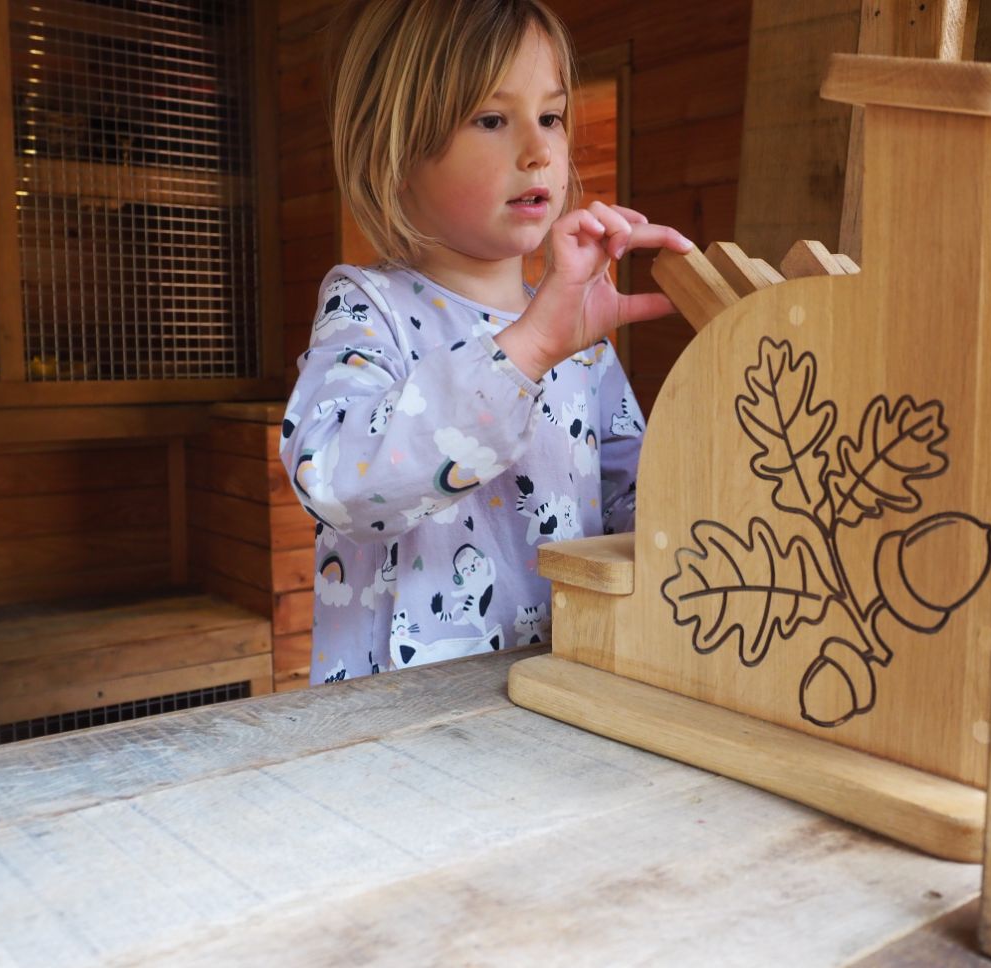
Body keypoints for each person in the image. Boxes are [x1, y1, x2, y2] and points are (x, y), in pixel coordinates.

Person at [280, 0, 693, 683]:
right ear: (399, 149)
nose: (537, 150)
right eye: (493, 119)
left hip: (562, 692)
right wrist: (525, 351)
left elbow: (639, 506)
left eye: (552, 116)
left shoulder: (581, 342)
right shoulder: (368, 306)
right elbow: (332, 480)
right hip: (401, 730)